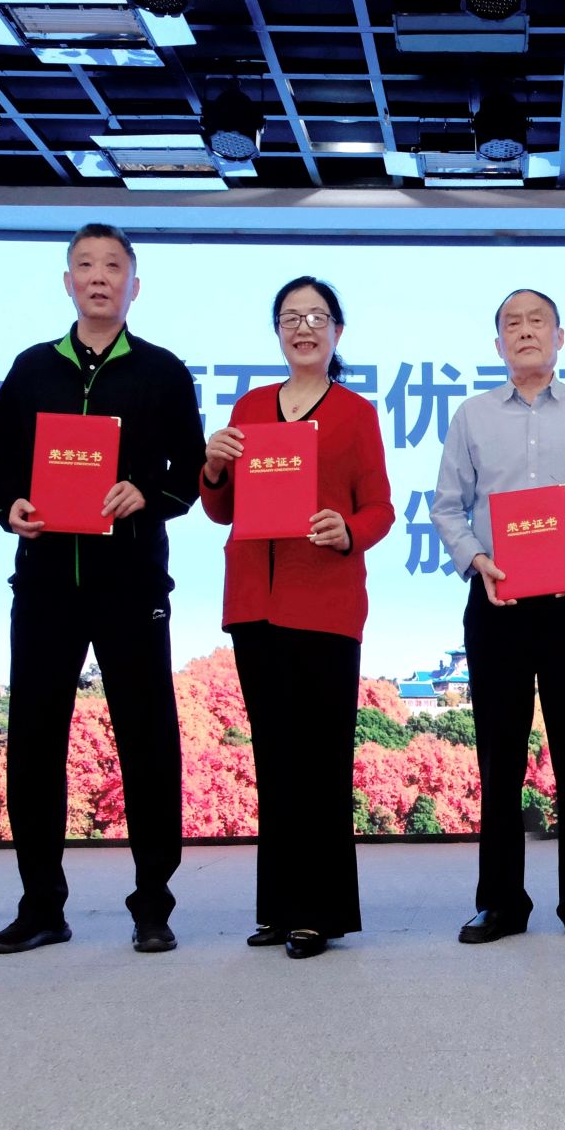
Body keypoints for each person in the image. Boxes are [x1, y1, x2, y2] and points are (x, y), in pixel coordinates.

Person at [0, 223, 206, 955]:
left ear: (135, 285)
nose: (99, 277)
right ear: (67, 281)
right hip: (45, 581)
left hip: (131, 581)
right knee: (33, 740)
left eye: (113, 266)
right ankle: (41, 905)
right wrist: (10, 505)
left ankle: (153, 905)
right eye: (86, 265)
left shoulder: (163, 371)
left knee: (148, 738)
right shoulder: (31, 368)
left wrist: (147, 493)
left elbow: (192, 472)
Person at [430, 288, 565, 944]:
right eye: (512, 324)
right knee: (499, 758)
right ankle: (499, 902)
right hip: (497, 602)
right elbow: (446, 505)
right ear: (498, 344)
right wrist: (476, 559)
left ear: (559, 336)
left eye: (537, 321)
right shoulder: (471, 416)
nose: (525, 332)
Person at [200, 277, 394, 959]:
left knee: (321, 761)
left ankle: (320, 911)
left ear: (338, 331)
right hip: (255, 604)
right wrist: (213, 467)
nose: (303, 328)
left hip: (326, 607)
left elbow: (380, 508)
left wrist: (348, 530)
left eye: (316, 316)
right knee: (274, 760)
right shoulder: (251, 406)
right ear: (277, 331)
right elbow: (221, 509)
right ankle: (279, 908)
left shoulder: (356, 413)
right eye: (290, 317)